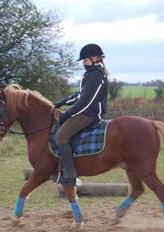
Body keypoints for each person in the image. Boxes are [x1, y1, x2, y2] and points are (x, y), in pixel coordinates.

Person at [54, 43, 109, 186]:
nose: (83, 63)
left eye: (85, 60)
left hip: (89, 114)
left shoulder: (96, 76)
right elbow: (79, 95)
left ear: (94, 58)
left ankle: (71, 175)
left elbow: (85, 101)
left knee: (60, 136)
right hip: (85, 112)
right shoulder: (90, 74)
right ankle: (61, 171)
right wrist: (60, 103)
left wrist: (66, 114)